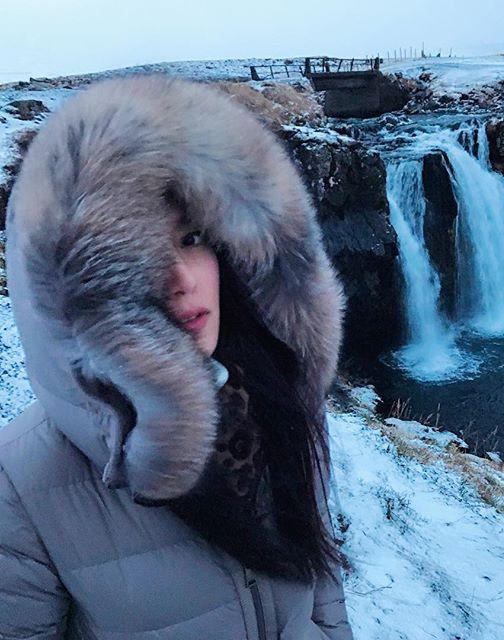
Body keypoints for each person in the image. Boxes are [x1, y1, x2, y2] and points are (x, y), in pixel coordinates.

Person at [0, 74, 354, 639]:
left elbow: (323, 589)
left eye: (191, 239)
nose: (180, 281)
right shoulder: (23, 479)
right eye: (130, 258)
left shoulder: (278, 397)